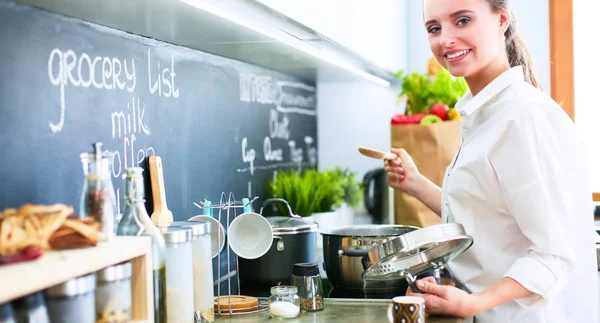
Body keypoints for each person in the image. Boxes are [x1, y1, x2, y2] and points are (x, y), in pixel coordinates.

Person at [384, 0, 599, 322]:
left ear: (502, 20)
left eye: (463, 20)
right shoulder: (487, 113)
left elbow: (552, 255)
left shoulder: (520, 118)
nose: (445, 39)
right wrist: (414, 184)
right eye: (434, 28)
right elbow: (485, 216)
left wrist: (472, 303)